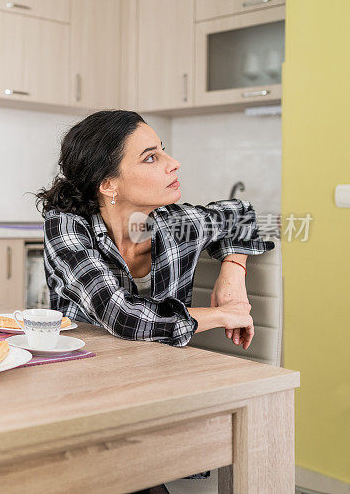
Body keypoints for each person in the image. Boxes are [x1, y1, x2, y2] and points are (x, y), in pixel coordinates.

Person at [36, 110, 274, 348]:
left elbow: (241, 214)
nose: (174, 163)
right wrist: (225, 314)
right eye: (150, 158)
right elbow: (122, 316)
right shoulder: (66, 227)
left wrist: (233, 272)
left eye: (162, 149)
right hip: (86, 370)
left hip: (165, 372)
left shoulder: (176, 223)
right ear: (108, 185)